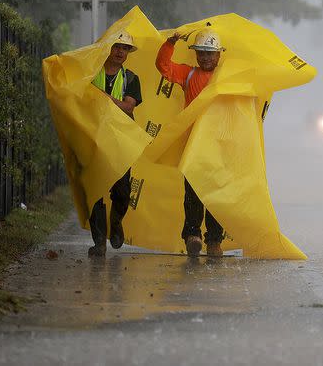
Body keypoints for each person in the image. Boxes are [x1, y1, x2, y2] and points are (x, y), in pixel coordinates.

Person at [155, 28, 226, 257]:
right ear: (196, 55)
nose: (205, 57)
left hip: (218, 146)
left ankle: (214, 241)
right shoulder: (188, 75)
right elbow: (164, 67)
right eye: (201, 53)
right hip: (193, 145)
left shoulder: (227, 77)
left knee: (215, 194)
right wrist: (169, 44)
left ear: (218, 56)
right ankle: (192, 235)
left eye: (210, 53)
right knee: (193, 191)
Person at [88, 32, 143, 257]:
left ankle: (117, 220)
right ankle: (99, 242)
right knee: (95, 192)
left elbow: (128, 107)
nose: (120, 52)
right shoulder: (91, 74)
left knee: (122, 190)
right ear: (108, 49)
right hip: (94, 138)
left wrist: (102, 98)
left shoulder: (131, 78)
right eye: (117, 47)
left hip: (121, 141)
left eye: (125, 49)